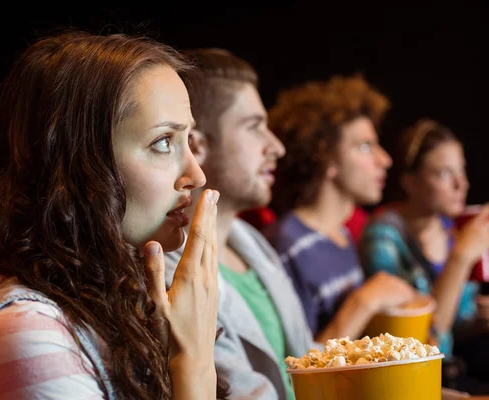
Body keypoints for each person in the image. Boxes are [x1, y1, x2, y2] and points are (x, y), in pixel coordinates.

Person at [0, 31, 227, 400]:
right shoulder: (26, 334)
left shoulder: (130, 295)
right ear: (80, 164)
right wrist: (195, 364)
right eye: (163, 142)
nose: (197, 175)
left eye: (187, 140)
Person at [165, 48, 314, 400]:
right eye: (254, 127)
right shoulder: (173, 267)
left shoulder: (250, 243)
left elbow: (302, 360)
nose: (275, 146)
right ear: (196, 145)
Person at [264, 75, 417, 343]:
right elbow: (295, 369)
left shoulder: (341, 235)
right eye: (365, 146)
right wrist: (364, 301)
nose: (385, 159)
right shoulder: (286, 246)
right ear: (327, 158)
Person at [358, 119, 489, 386]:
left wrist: (478, 320)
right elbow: (421, 342)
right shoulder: (382, 238)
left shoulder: (448, 227)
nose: (461, 184)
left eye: (461, 171)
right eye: (443, 173)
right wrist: (461, 257)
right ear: (410, 182)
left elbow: (455, 322)